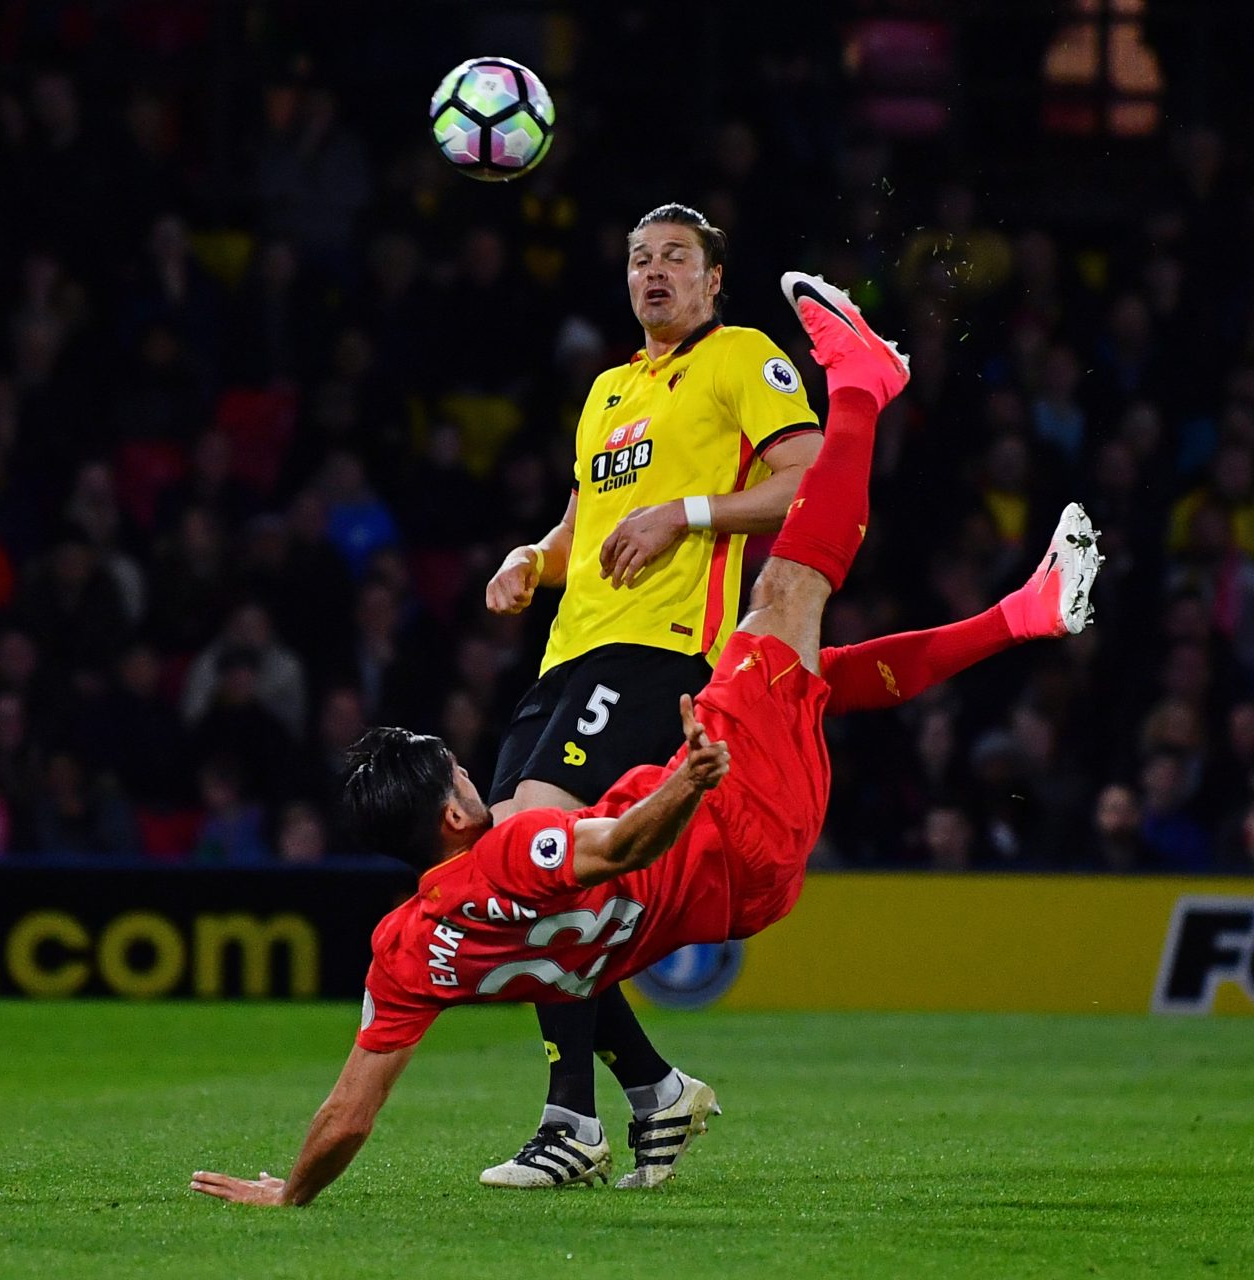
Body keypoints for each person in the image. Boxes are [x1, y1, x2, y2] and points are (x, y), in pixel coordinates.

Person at [189, 274, 1102, 1208]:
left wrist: (291, 1193)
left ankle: (1025, 613)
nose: (478, 773)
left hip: (735, 894)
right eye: (462, 771)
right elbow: (616, 843)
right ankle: (864, 382)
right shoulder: (515, 847)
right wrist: (692, 779)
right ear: (457, 809)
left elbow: (349, 1113)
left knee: (805, 676)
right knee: (782, 599)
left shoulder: (407, 950)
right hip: (733, 817)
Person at [475, 204, 826, 1189]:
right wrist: (528, 558)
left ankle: (570, 1122)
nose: (655, 272)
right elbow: (584, 523)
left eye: (677, 257)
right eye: (639, 258)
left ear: (715, 280)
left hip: (661, 652)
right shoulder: (608, 391)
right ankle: (655, 1087)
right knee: (516, 873)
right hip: (565, 662)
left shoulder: (740, 358)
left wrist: (690, 512)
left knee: (539, 854)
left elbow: (809, 482)